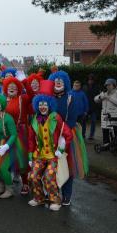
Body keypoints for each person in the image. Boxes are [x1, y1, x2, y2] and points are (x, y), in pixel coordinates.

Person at [28, 80, 72, 211]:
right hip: (40, 154)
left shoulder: (56, 117)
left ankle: (55, 200)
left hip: (53, 156)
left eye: (45, 104)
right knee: (33, 176)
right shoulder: (35, 119)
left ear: (49, 105)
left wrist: (61, 149)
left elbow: (68, 134)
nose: (42, 107)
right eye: (40, 104)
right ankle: (39, 198)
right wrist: (30, 156)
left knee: (49, 176)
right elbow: (31, 139)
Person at [48, 70, 89, 206]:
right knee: (51, 166)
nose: (58, 82)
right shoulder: (48, 97)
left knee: (67, 166)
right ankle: (54, 192)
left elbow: (72, 119)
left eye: (61, 80)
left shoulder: (71, 97)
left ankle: (67, 195)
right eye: (56, 80)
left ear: (65, 82)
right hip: (51, 135)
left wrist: (63, 136)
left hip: (67, 135)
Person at [0, 94, 23, 199]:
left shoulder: (7, 118)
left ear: (1, 105)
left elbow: (14, 134)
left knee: (2, 168)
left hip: (10, 144)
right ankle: (0, 186)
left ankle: (9, 189)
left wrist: (6, 146)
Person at [2, 76, 31, 195]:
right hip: (7, 132)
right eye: (10, 86)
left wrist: (25, 83)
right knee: (6, 158)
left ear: (18, 89)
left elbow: (32, 95)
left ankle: (25, 183)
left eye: (14, 86)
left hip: (20, 132)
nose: (12, 88)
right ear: (6, 88)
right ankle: (7, 184)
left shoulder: (22, 99)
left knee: (21, 158)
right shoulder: (3, 100)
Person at [94, 78, 117, 148]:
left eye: (109, 85)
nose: (107, 86)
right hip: (105, 116)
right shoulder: (105, 93)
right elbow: (95, 99)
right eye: (106, 85)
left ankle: (116, 145)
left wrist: (109, 98)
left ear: (114, 85)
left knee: (115, 131)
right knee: (105, 130)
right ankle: (106, 144)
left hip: (114, 116)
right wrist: (100, 97)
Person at [85, 74, 101, 140]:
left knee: (93, 121)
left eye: (91, 80)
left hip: (94, 107)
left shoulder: (97, 87)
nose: (90, 81)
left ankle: (91, 135)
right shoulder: (85, 87)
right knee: (83, 122)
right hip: (86, 107)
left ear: (93, 80)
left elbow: (98, 97)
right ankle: (83, 134)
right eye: (89, 80)